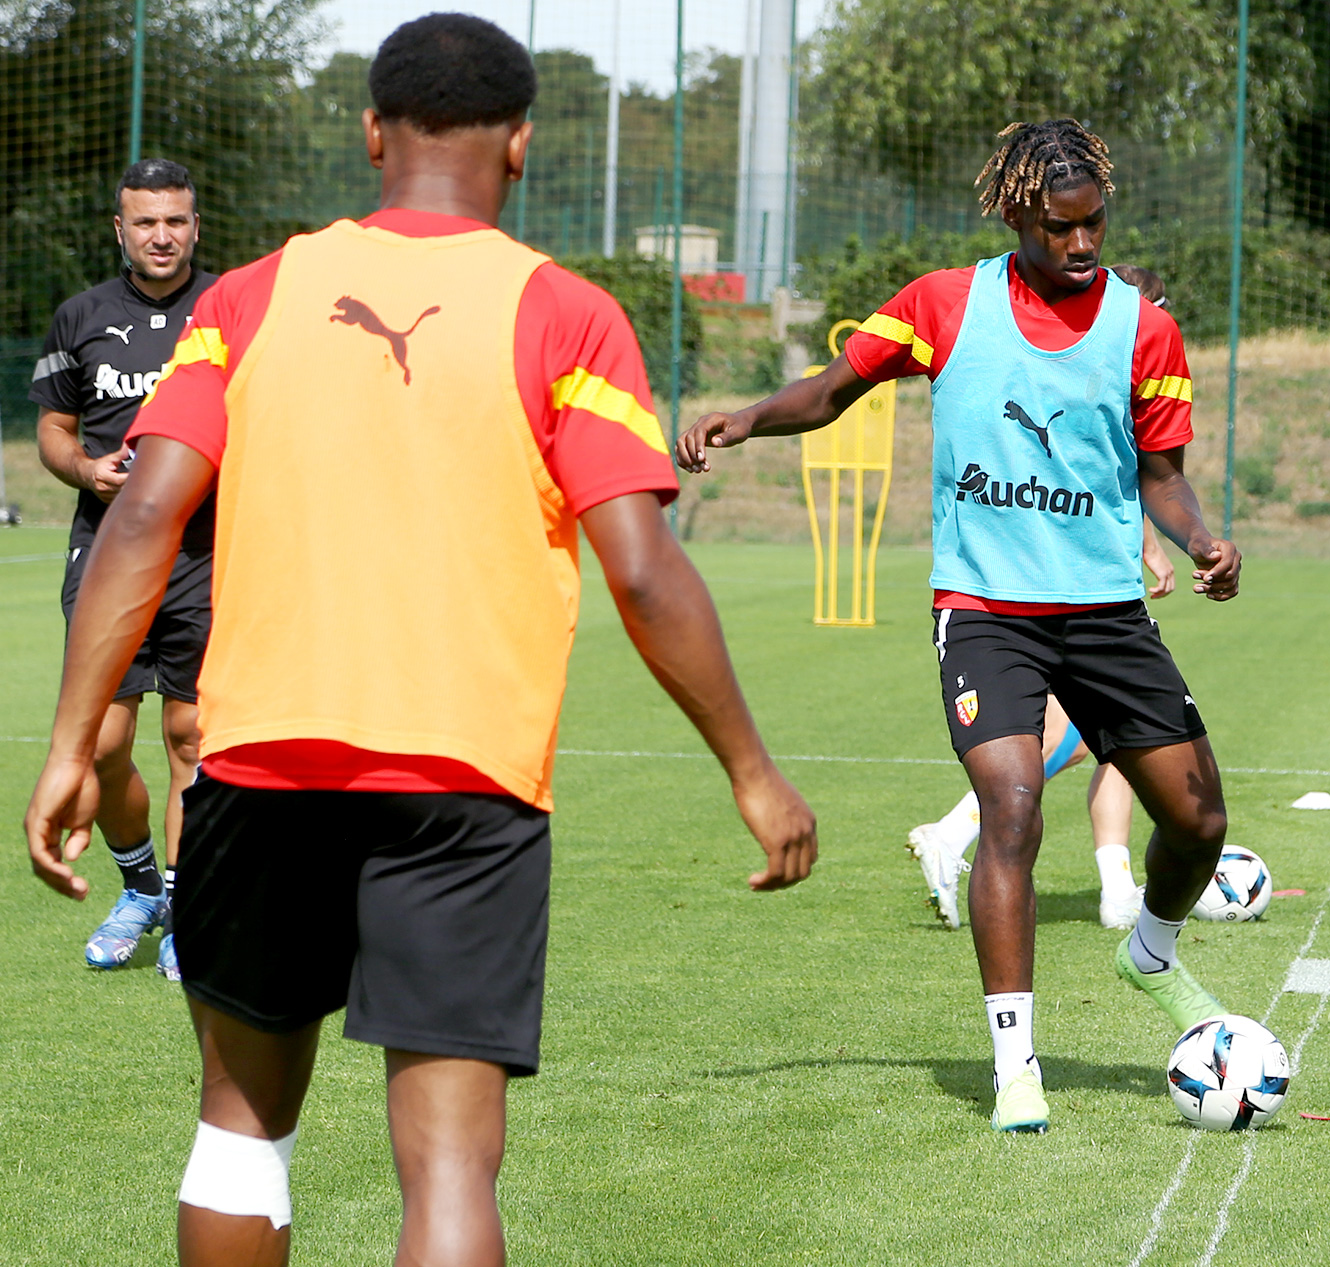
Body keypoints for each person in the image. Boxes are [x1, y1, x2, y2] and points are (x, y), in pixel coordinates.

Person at [23, 15, 816, 1265]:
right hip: (462, 781)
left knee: (238, 1130)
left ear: (371, 132)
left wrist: (72, 742)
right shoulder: (566, 313)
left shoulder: (251, 295)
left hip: (257, 765)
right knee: (448, 1168)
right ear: (521, 144)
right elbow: (643, 568)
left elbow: (140, 519)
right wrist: (752, 771)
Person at [680, 120, 1243, 1134]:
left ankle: (1150, 953)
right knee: (1012, 804)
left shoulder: (1142, 329)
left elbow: (1161, 474)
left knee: (1199, 822)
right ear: (1019, 216)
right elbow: (832, 388)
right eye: (1062, 229)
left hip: (1106, 613)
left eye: (1096, 225)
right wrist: (748, 417)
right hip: (984, 612)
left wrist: (1202, 539)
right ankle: (1013, 1062)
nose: (1083, 246)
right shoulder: (944, 305)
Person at [906, 260, 1181, 934]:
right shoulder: (1092, 350)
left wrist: (1147, 544)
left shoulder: (1123, 346)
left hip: (1091, 583)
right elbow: (1092, 467)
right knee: (1102, 735)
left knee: (1100, 737)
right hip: (1053, 587)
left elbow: (1109, 466)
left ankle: (1113, 883)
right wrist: (1148, 545)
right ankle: (963, 834)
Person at [31, 158, 216, 979]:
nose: (162, 234)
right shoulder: (81, 316)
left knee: (191, 732)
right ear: (121, 229)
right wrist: (85, 471)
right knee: (104, 739)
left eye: (175, 219)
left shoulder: (226, 310)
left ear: (194, 225)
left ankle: (180, 906)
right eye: (146, 221)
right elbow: (54, 430)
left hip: (205, 547)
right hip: (106, 549)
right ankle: (140, 886)